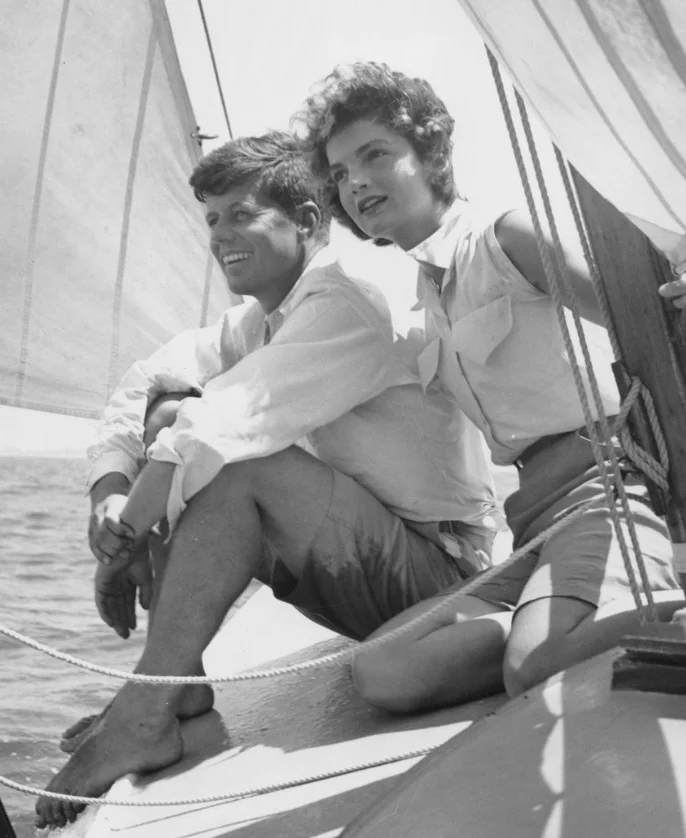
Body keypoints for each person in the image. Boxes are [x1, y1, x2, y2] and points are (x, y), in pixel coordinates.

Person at [35, 129, 499, 828]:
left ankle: (143, 712)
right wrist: (108, 492)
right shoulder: (258, 321)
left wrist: (126, 536)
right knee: (167, 410)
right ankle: (176, 697)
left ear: (308, 221)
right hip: (367, 572)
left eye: (240, 214)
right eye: (212, 219)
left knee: (233, 458)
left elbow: (225, 423)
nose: (220, 235)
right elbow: (142, 389)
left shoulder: (350, 298)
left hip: (441, 580)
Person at [297, 61, 684, 713]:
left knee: (534, 670)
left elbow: (647, 310)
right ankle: (554, 627)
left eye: (375, 155)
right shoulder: (423, 295)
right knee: (384, 671)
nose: (356, 181)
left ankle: (579, 629)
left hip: (607, 489)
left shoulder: (506, 238)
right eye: (340, 172)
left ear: (431, 152)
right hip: (532, 518)